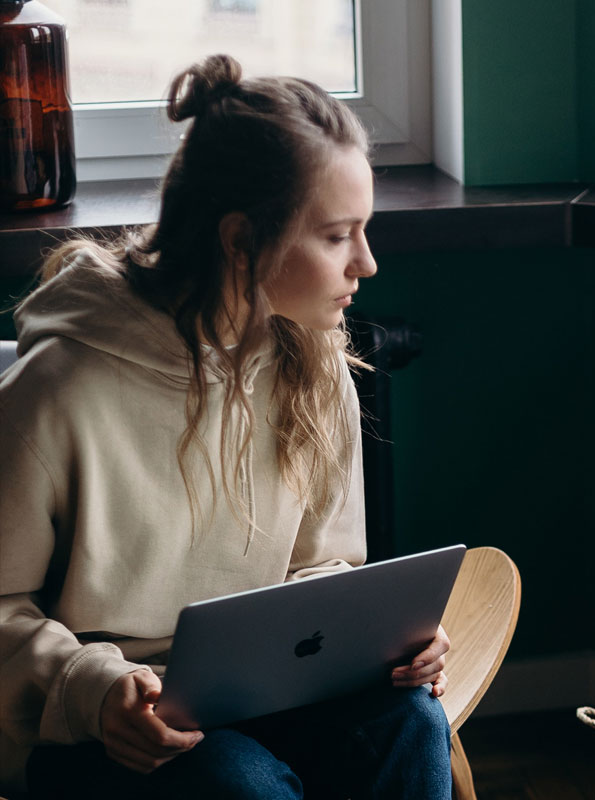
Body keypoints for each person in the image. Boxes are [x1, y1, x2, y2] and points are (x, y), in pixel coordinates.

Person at [0, 54, 454, 799]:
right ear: (241, 240)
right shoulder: (59, 390)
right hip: (102, 730)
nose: (366, 263)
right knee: (232, 780)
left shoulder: (312, 361)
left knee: (406, 719)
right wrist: (94, 691)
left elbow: (320, 570)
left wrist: (385, 642)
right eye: (338, 235)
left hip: (266, 694)